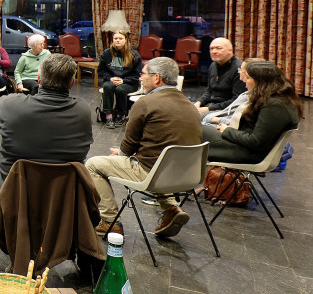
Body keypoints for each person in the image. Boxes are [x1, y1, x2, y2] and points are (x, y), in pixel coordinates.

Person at [85, 57, 201, 238]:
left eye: (143, 74)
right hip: (186, 176)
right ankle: (171, 207)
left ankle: (110, 221)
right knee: (157, 160)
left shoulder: (145, 103)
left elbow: (128, 146)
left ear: (157, 78)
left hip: (153, 173)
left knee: (93, 164)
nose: (140, 78)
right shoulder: (191, 106)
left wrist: (121, 156)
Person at [0, 53, 94, 190]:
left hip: (17, 189)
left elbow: (3, 102)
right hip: (63, 191)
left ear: (38, 79)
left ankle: (5, 208)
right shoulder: (83, 110)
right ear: (72, 83)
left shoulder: (9, 104)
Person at [203, 61, 302, 163]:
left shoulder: (275, 105)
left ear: (261, 81)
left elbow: (256, 142)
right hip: (243, 146)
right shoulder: (274, 99)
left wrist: (227, 130)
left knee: (196, 131)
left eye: (248, 78)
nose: (245, 80)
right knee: (197, 129)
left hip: (248, 153)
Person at [201, 57, 263, 128]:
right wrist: (200, 102)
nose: (238, 71)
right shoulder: (248, 93)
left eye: (241, 70)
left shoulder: (250, 96)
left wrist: (215, 118)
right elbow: (209, 90)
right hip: (220, 116)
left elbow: (239, 122)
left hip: (224, 123)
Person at [97, 31, 142, 128]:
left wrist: (123, 81)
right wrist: (110, 78)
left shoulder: (134, 55)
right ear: (112, 40)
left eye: (120, 38)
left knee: (120, 89)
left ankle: (121, 115)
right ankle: (108, 115)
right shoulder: (107, 53)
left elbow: (136, 75)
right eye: (115, 38)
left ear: (126, 40)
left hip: (129, 82)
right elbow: (100, 71)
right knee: (107, 86)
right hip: (112, 80)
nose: (118, 40)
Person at [196, 38, 245, 114]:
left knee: (195, 119)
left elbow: (237, 100)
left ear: (230, 51)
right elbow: (209, 91)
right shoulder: (213, 65)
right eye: (211, 49)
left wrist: (209, 109)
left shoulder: (239, 69)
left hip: (227, 110)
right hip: (211, 106)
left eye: (219, 48)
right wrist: (199, 102)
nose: (214, 51)